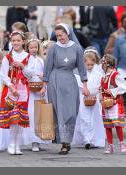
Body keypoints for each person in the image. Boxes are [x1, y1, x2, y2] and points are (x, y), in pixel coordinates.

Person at [40, 23, 89, 155]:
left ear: (68, 33)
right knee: (59, 112)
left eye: (61, 35)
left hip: (70, 81)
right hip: (55, 81)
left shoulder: (77, 48)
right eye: (57, 36)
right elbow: (48, 67)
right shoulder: (54, 48)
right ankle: (64, 143)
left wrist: (85, 85)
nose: (59, 38)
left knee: (71, 112)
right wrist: (44, 85)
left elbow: (81, 68)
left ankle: (67, 139)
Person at [0, 31, 35, 155]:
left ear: (23, 41)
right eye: (13, 41)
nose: (15, 43)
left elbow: (31, 74)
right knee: (13, 118)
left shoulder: (29, 57)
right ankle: (11, 143)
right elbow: (3, 75)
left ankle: (17, 144)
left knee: (19, 119)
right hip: (11, 90)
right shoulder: (7, 57)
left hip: (23, 90)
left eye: (18, 40)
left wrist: (23, 67)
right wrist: (11, 86)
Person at [72, 49, 105, 149]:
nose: (90, 66)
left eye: (91, 64)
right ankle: (86, 139)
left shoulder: (98, 74)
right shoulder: (80, 73)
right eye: (88, 65)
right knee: (84, 118)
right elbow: (78, 84)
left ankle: (93, 139)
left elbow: (100, 86)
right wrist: (84, 90)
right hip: (83, 98)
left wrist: (93, 93)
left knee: (93, 119)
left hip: (94, 99)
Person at [23, 38, 50, 152]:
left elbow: (46, 74)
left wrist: (43, 79)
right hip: (30, 91)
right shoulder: (26, 60)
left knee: (41, 115)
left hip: (41, 91)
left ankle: (40, 139)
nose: (33, 49)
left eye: (35, 47)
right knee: (32, 114)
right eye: (31, 47)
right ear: (28, 48)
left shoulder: (41, 60)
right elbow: (24, 73)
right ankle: (33, 140)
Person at [100, 54, 126, 154]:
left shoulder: (115, 75)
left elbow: (124, 87)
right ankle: (110, 146)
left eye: (103, 62)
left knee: (117, 125)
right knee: (108, 126)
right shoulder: (104, 76)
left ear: (107, 64)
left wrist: (113, 91)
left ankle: (122, 143)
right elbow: (101, 89)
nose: (101, 65)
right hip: (106, 104)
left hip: (115, 104)